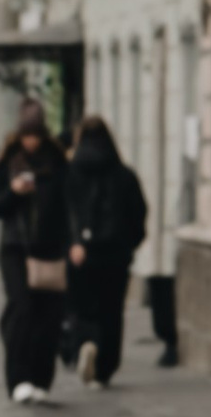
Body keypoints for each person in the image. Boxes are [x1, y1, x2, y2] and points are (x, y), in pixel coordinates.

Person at [0, 98, 71, 403]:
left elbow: (67, 206)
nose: (31, 141)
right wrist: (14, 193)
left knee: (48, 318)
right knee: (22, 309)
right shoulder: (8, 163)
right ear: (19, 135)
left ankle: (41, 379)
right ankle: (18, 380)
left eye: (35, 134)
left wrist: (70, 244)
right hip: (15, 249)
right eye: (26, 134)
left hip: (50, 251)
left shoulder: (58, 163)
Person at [64, 116, 150, 385]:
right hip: (115, 255)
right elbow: (140, 214)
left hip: (80, 255)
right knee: (112, 312)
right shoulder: (124, 175)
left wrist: (72, 243)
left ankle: (86, 343)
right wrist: (128, 245)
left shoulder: (70, 173)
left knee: (81, 308)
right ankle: (105, 369)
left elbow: (61, 213)